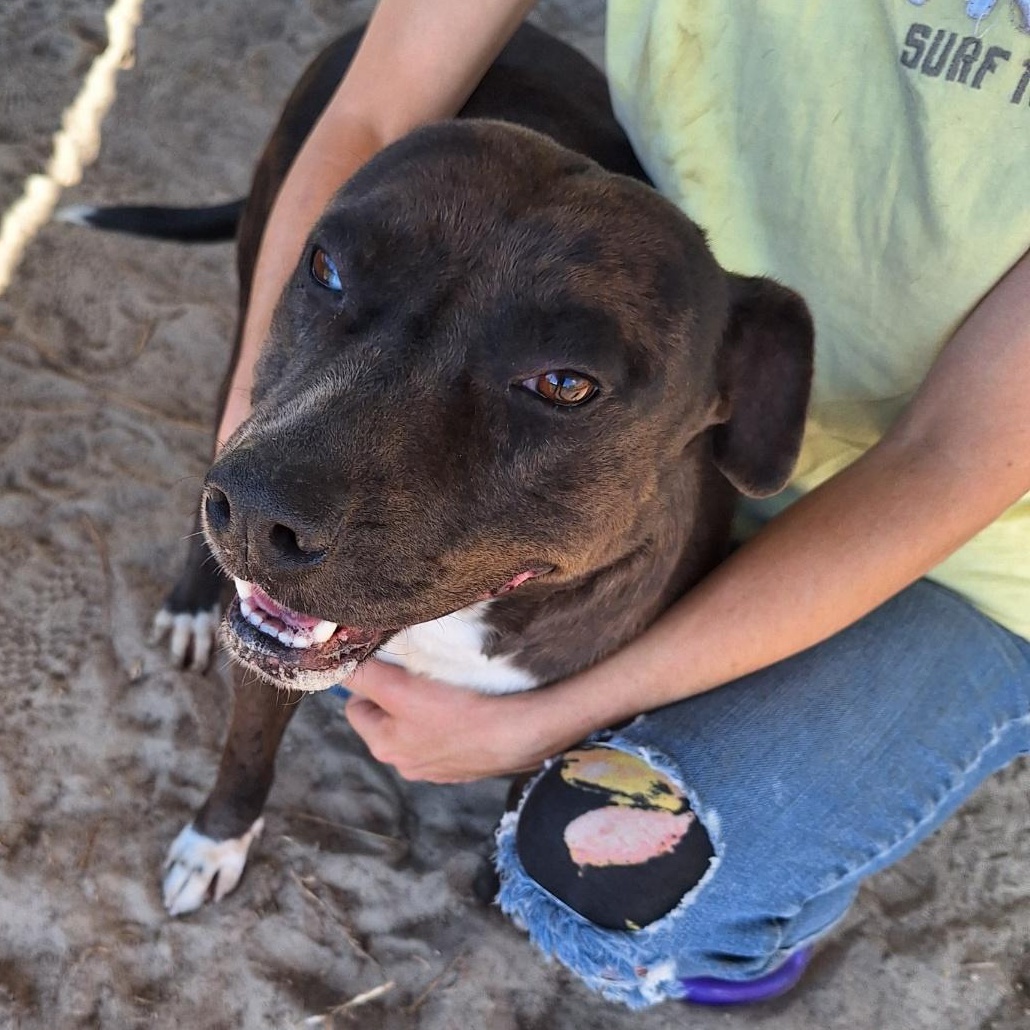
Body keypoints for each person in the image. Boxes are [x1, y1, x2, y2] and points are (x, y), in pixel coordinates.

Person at [215, 0, 1030, 1009]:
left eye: (555, 384)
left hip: (979, 548)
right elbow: (373, 114)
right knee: (316, 569)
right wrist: (257, 422)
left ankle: (738, 935)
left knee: (610, 858)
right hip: (663, 394)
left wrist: (544, 725)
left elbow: (944, 463)